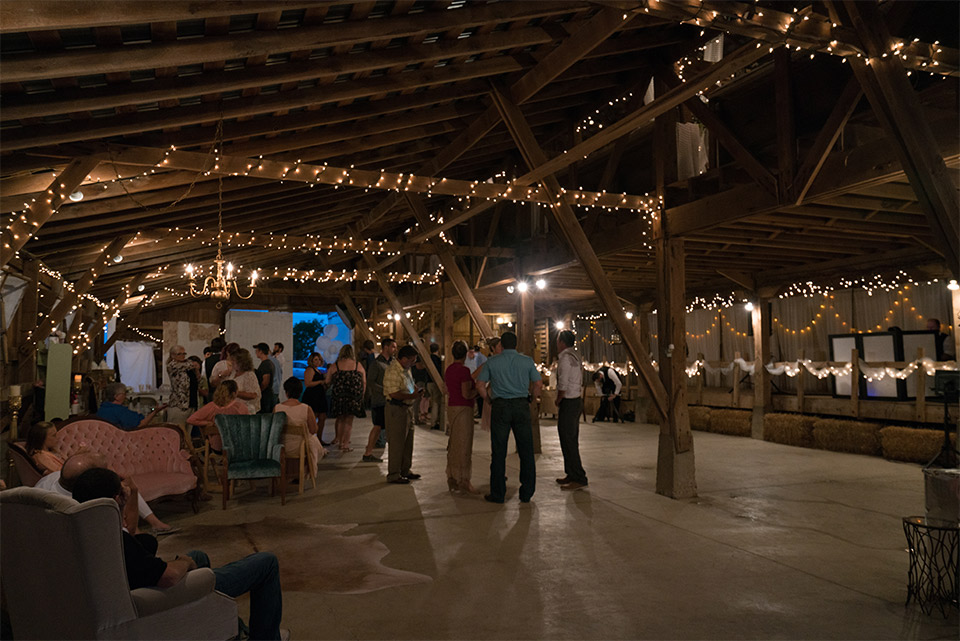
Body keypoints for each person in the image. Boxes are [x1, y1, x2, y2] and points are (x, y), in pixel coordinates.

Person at [71, 467, 286, 641]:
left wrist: (128, 497)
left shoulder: (80, 534)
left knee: (199, 556)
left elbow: (133, 536)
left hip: (133, 590)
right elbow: (169, 577)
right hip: (155, 600)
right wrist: (183, 562)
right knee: (266, 563)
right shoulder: (117, 543)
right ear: (115, 499)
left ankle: (234, 631)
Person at [36, 450, 176, 534]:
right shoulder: (89, 510)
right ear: (90, 478)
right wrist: (133, 491)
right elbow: (127, 535)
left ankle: (154, 522)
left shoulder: (48, 481)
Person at [476, 331, 541, 504]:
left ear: (501, 346)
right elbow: (538, 383)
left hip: (501, 406)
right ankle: (526, 492)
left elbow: (480, 385)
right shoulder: (527, 361)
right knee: (526, 451)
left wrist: (488, 400)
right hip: (521, 406)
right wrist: (532, 399)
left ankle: (498, 494)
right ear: (516, 344)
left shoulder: (492, 362)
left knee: (498, 451)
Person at [383, 345, 423, 484]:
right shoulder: (393, 370)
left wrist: (416, 391)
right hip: (396, 409)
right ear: (404, 359)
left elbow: (410, 384)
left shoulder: (406, 369)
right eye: (412, 360)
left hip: (407, 408)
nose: (413, 363)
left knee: (408, 442)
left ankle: (405, 469)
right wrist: (412, 395)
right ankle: (394, 473)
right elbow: (393, 393)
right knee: (397, 442)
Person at [555, 330, 588, 491]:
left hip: (568, 401)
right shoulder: (575, 356)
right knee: (569, 439)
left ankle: (579, 476)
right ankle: (571, 473)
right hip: (576, 401)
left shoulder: (565, 359)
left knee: (568, 440)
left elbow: (563, 383)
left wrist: (558, 398)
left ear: (562, 342)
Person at [444, 341, 479, 494]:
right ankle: (464, 480)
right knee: (464, 444)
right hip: (464, 409)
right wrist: (479, 390)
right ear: (465, 354)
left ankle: (452, 478)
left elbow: (448, 389)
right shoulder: (464, 370)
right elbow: (466, 394)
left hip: (452, 407)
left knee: (454, 443)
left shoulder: (449, 369)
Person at [274, 377, 324, 476]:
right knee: (314, 442)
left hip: (281, 446)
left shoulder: (277, 408)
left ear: (286, 392)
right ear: (300, 392)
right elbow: (313, 430)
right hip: (299, 447)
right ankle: (303, 472)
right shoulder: (306, 408)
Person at [187, 379, 248, 452]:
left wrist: (207, 423)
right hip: (237, 448)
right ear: (234, 393)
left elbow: (190, 419)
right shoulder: (240, 407)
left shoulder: (211, 406)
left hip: (216, 447)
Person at [325, 344, 366, 452]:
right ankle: (345, 444)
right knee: (349, 421)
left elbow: (327, 381)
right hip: (354, 396)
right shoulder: (358, 365)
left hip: (339, 396)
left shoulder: (335, 366)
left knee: (341, 419)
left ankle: (339, 441)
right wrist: (362, 396)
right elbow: (364, 382)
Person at [362, 338, 395, 463]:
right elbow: (371, 382)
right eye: (393, 347)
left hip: (390, 400)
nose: (394, 349)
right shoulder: (376, 364)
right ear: (386, 347)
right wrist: (386, 390)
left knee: (385, 428)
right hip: (380, 400)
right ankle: (368, 452)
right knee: (377, 427)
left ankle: (370, 452)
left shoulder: (393, 363)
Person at [97, 382, 168, 430]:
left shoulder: (102, 409)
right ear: (117, 396)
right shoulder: (120, 411)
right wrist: (155, 412)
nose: (126, 396)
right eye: (124, 393)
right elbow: (140, 425)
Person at [301, 352, 328, 445]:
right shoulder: (310, 370)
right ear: (311, 360)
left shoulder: (318, 370)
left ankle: (319, 438)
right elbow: (308, 383)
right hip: (312, 396)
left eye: (319, 359)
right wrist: (320, 382)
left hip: (320, 395)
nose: (318, 361)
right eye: (315, 360)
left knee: (322, 417)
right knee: (313, 416)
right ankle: (312, 439)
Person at [166, 345, 195, 428]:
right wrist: (193, 365)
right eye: (179, 354)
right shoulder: (172, 366)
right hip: (179, 404)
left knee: (187, 434)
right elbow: (189, 365)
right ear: (173, 355)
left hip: (191, 403)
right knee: (177, 431)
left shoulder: (188, 365)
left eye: (184, 353)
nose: (182, 356)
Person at [227, 348, 261, 414]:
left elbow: (253, 395)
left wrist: (235, 393)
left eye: (234, 360)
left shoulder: (249, 375)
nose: (231, 362)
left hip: (246, 410)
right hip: (234, 408)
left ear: (242, 362)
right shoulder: (233, 373)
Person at [254, 343, 278, 414]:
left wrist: (258, 392)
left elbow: (265, 382)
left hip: (265, 396)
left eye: (257, 350)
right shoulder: (269, 363)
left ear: (261, 351)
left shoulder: (265, 364)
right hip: (268, 394)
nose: (256, 352)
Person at [467, 344, 487, 418]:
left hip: (477, 379)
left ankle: (477, 413)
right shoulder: (483, 357)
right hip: (479, 378)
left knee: (477, 397)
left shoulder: (478, 357)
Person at [427, 343, 443, 430]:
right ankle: (434, 422)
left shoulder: (428, 358)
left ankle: (434, 421)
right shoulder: (436, 359)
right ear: (438, 349)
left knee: (433, 402)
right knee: (436, 403)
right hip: (436, 382)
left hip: (429, 383)